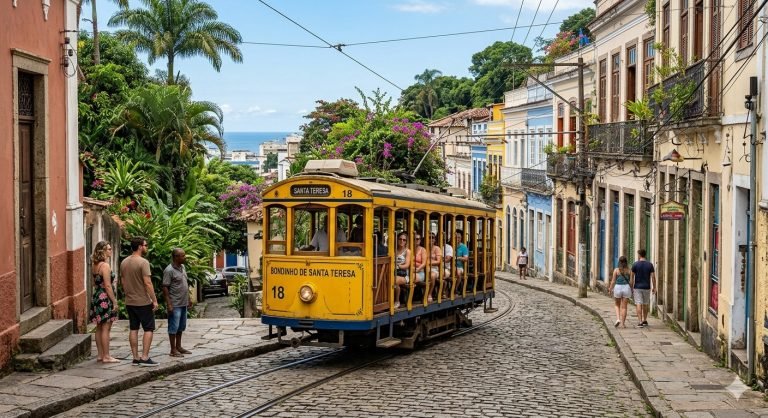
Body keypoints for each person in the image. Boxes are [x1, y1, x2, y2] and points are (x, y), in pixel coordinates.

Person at [120, 236, 159, 367]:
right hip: (143, 301)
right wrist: (154, 300)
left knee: (133, 328)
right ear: (140, 247)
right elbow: (148, 283)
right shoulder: (143, 262)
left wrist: (128, 294)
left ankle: (135, 357)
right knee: (148, 328)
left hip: (130, 301)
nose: (147, 247)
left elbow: (123, 282)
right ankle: (145, 356)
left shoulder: (124, 262)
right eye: (146, 245)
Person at [89, 241, 119, 363]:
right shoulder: (105, 266)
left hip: (96, 296)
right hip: (105, 298)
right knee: (106, 327)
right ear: (103, 251)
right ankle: (106, 356)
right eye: (109, 249)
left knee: (99, 327)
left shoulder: (95, 265)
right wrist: (114, 301)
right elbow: (107, 285)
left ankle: (100, 355)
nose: (111, 250)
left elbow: (94, 283)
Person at [162, 248, 192, 358]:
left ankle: (179, 346)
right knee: (173, 327)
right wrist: (169, 304)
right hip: (175, 303)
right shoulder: (169, 270)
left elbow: (185, 283)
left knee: (181, 326)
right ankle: (172, 349)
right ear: (176, 257)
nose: (185, 257)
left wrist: (188, 298)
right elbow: (165, 287)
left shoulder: (183, 267)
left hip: (183, 302)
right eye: (182, 256)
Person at [631, 248, 656, 328]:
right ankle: (645, 320)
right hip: (646, 287)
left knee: (638, 303)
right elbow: (653, 277)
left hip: (637, 287)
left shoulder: (635, 264)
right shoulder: (650, 265)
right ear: (645, 255)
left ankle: (640, 321)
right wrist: (654, 287)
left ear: (639, 255)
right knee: (645, 304)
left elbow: (632, 277)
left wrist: (631, 287)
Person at [608, 256, 633, 328]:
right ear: (626, 262)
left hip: (618, 287)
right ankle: (623, 324)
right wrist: (631, 289)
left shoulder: (616, 270)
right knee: (624, 307)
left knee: (617, 305)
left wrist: (610, 289)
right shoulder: (629, 270)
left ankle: (618, 319)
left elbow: (613, 281)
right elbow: (631, 282)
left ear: (619, 262)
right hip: (626, 288)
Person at [392, 232, 411, 309]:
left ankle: (397, 301)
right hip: (393, 272)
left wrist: (397, 266)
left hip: (403, 275)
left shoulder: (407, 251)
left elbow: (406, 265)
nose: (402, 241)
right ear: (397, 239)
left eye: (404, 240)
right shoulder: (393, 250)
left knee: (395, 280)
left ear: (406, 241)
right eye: (400, 239)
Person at [412, 233, 431, 302]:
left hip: (420, 272)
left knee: (412, 278)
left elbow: (423, 263)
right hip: (410, 270)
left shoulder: (423, 250)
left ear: (420, 240)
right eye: (415, 239)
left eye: (418, 239)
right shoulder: (409, 249)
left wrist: (417, 269)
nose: (416, 240)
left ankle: (412, 297)